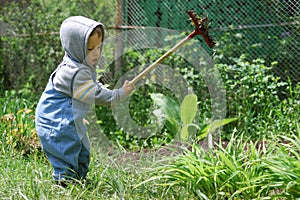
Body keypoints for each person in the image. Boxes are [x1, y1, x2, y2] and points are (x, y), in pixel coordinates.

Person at [35, 16, 134, 186]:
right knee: (66, 154)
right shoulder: (73, 72)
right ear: (76, 47)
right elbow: (97, 95)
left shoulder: (80, 66)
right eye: (89, 49)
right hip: (57, 123)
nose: (96, 53)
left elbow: (94, 86)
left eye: (99, 47)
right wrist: (119, 94)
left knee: (82, 151)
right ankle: (64, 184)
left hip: (68, 120)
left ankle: (79, 181)